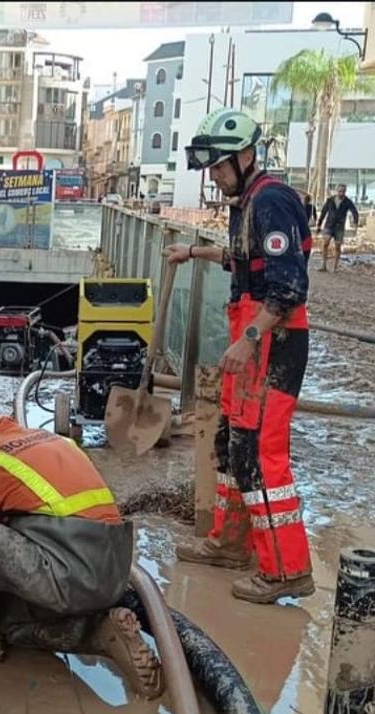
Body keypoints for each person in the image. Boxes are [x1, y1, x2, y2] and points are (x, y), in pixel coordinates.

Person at [0, 408, 162, 699]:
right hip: (113, 569)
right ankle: (102, 633)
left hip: (72, 571)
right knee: (12, 624)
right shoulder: (30, 438)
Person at [166, 108, 314, 604]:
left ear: (246, 156)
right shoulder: (247, 201)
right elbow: (241, 259)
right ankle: (232, 543)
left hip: (275, 344)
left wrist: (249, 336)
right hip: (256, 337)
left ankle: (286, 569)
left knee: (261, 454)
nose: (213, 175)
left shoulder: (271, 200)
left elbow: (288, 286)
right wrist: (192, 252)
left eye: (219, 166)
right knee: (232, 441)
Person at [317, 183, 359, 273]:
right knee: (325, 243)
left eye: (343, 191)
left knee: (337, 247)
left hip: (339, 227)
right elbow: (324, 212)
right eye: (340, 191)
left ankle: (335, 267)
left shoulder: (347, 201)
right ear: (337, 191)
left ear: (345, 192)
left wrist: (355, 222)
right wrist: (319, 224)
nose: (341, 193)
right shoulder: (330, 200)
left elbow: (354, 211)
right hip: (329, 225)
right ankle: (324, 265)